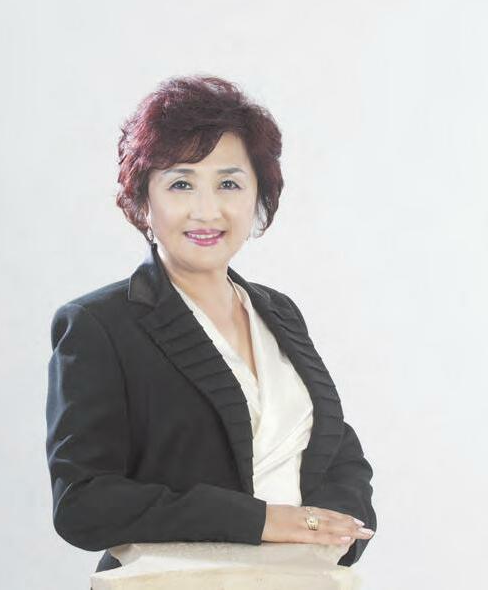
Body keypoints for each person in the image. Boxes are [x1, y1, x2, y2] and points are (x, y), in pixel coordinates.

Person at [45, 75, 377, 581]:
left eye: (229, 183)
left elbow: (337, 449)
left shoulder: (278, 311)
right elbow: (83, 502)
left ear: (258, 196)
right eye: (181, 184)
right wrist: (262, 521)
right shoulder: (99, 325)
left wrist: (337, 533)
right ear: (143, 200)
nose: (207, 210)